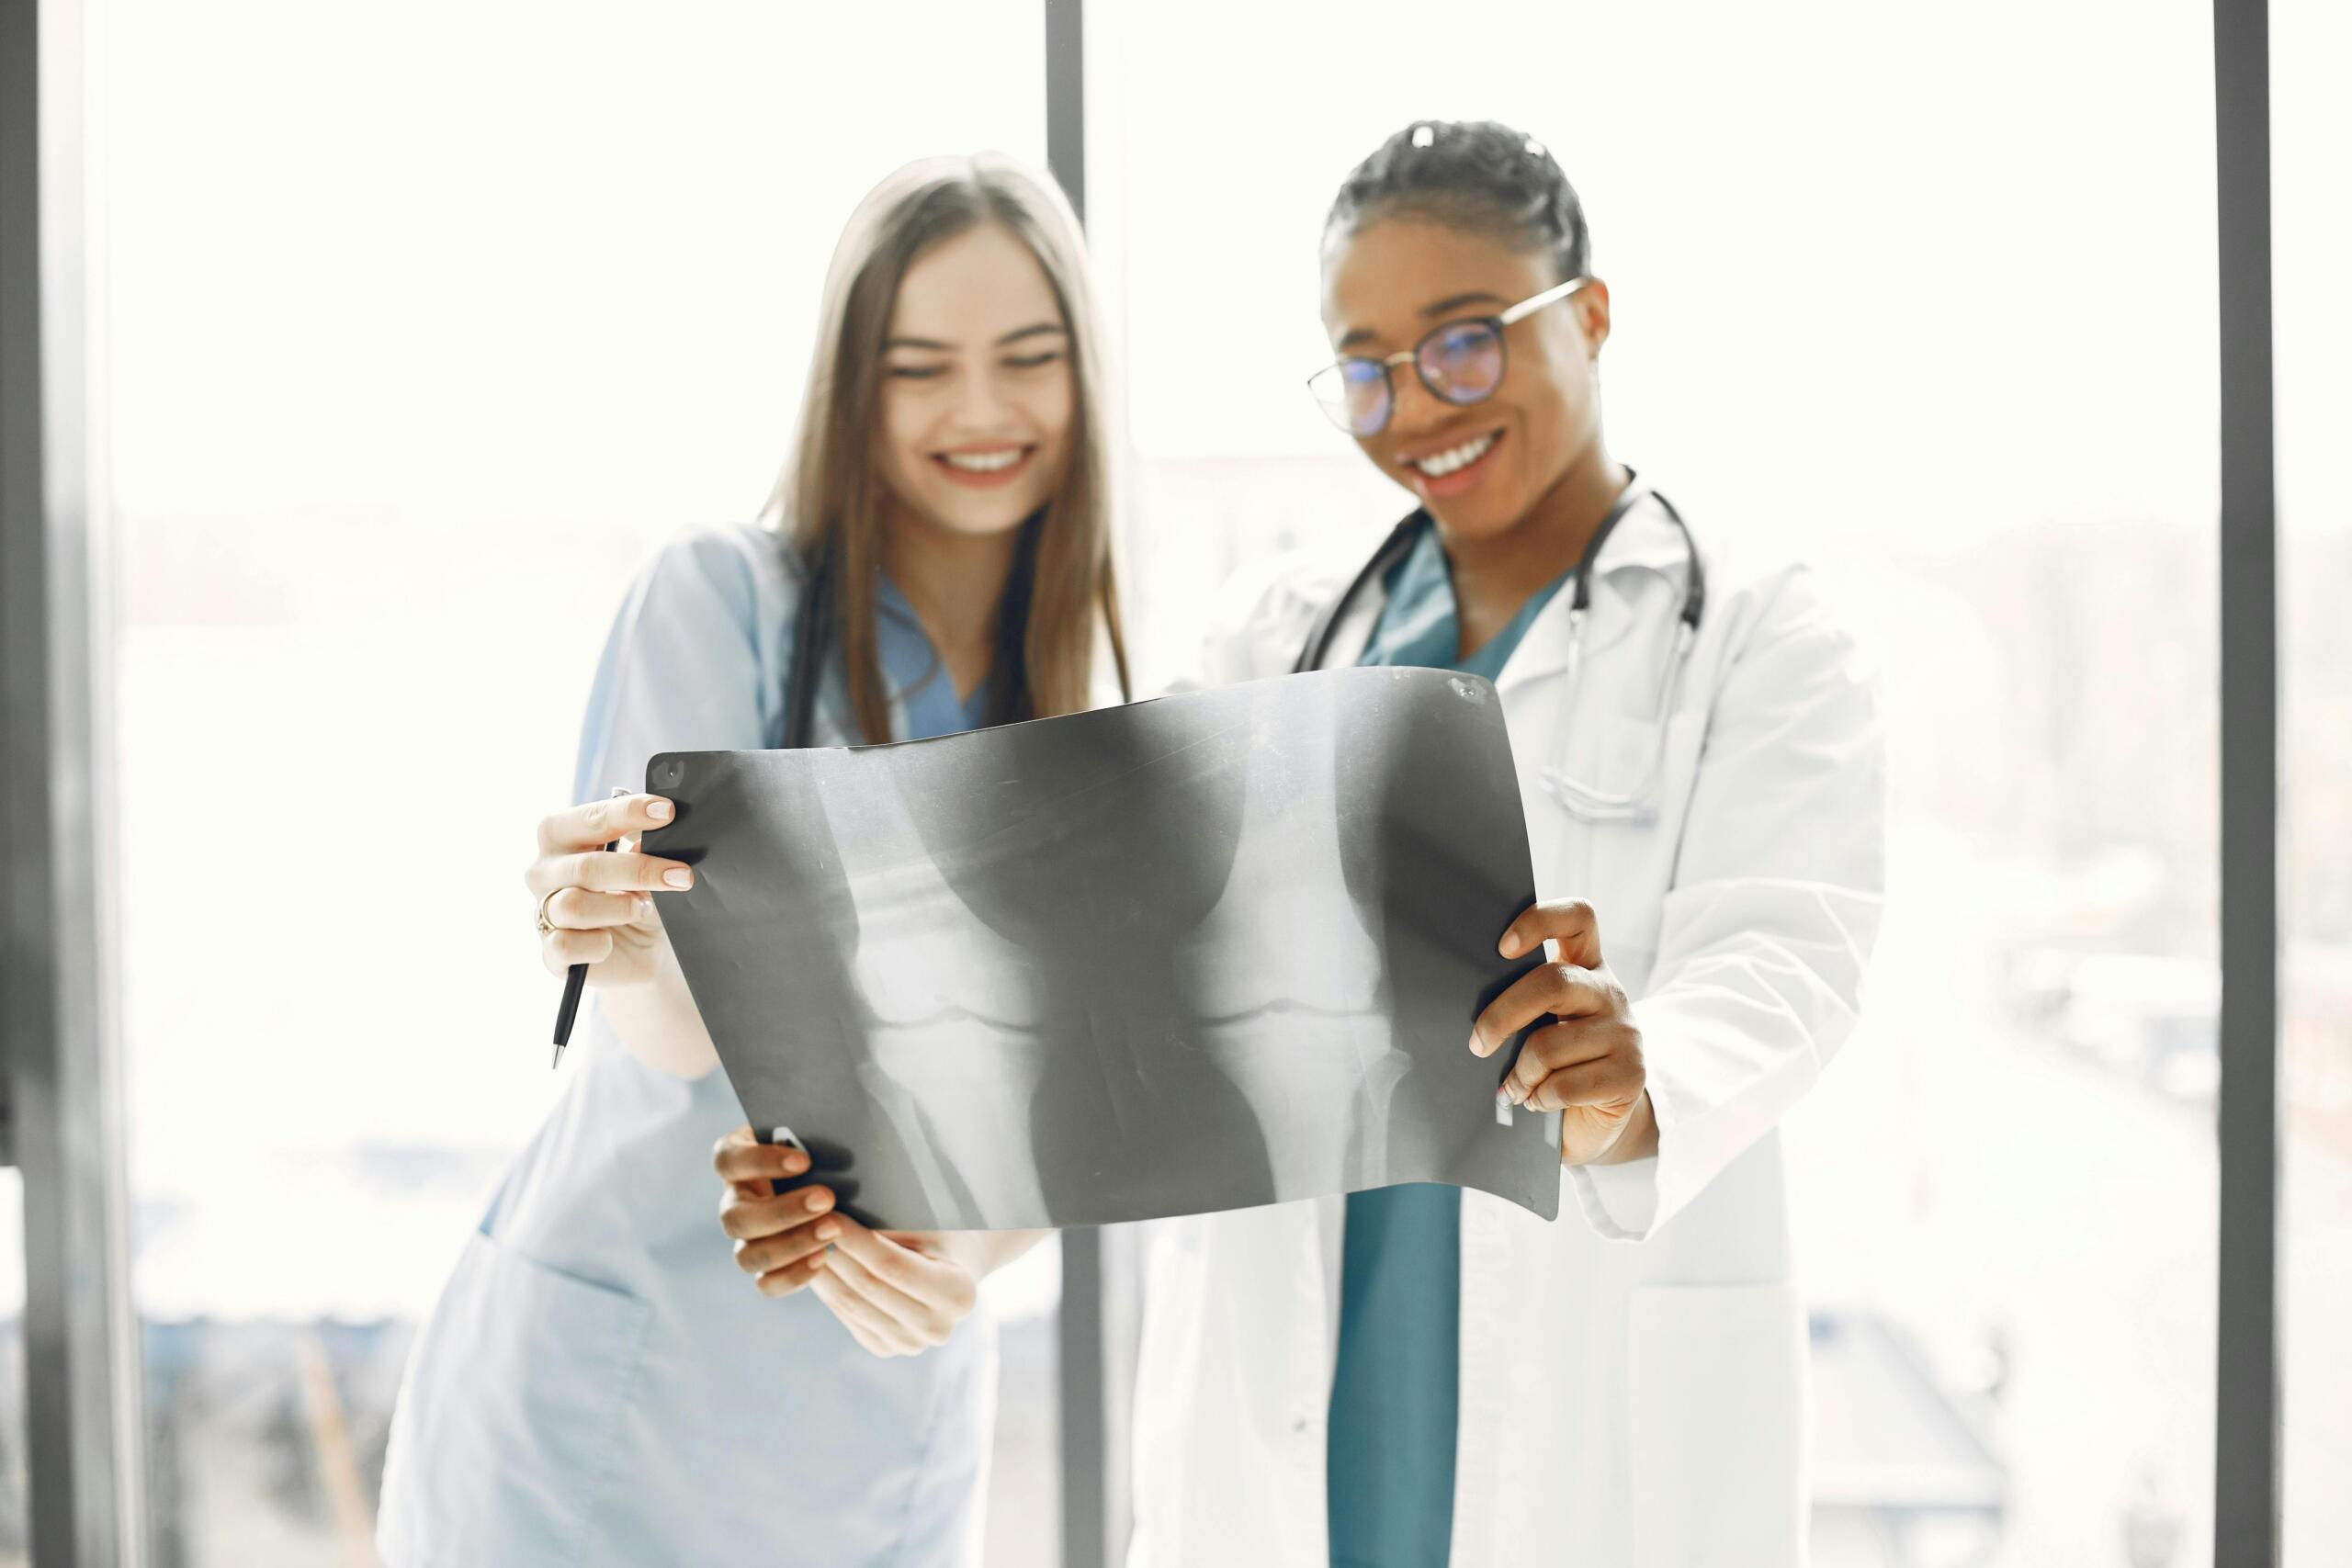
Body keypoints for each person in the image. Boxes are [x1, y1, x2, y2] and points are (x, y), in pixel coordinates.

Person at [1120, 119, 1885, 1567]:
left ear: (1588, 315)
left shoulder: (1757, 633)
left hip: (1593, 1412)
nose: (1415, 407)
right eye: (1366, 368)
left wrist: (1637, 1079)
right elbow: (1120, 910)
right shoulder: (1269, 642)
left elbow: (1788, 955)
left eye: (1464, 344)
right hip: (1284, 1411)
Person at [375, 151, 1130, 1568]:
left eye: (1029, 359)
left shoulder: (1100, 707)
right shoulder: (720, 598)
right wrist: (625, 945)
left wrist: (963, 1257)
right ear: (851, 390)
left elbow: (1089, 1103)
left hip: (879, 1428)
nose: (981, 411)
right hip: (609, 1407)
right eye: (919, 369)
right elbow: (672, 1035)